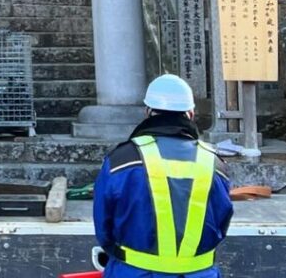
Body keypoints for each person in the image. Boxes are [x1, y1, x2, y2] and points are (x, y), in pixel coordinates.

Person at [93, 74, 233, 278]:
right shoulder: (215, 164)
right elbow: (222, 222)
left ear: (148, 112)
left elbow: (104, 228)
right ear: (191, 113)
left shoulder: (120, 161)